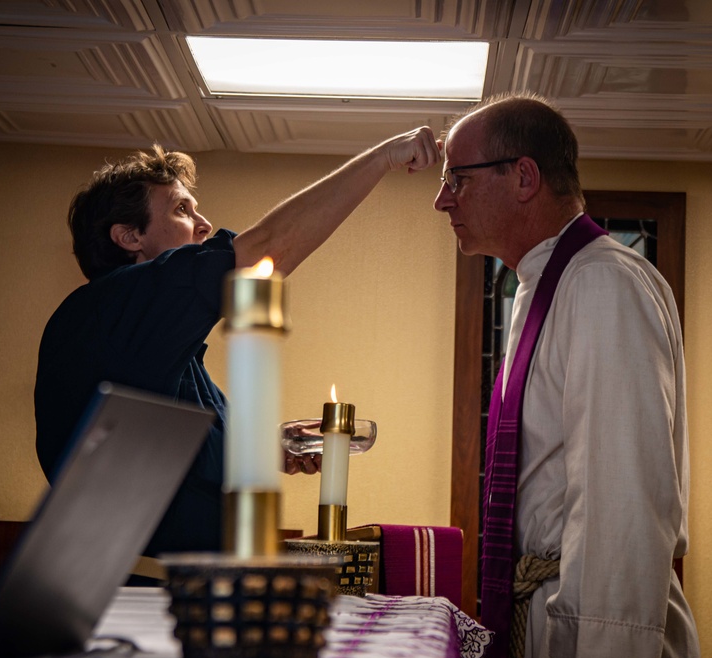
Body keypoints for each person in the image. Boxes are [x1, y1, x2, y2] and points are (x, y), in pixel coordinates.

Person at [35, 127, 440, 559]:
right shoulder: (113, 309)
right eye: (181, 209)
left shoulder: (162, 352)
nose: (204, 225)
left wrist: (274, 447)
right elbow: (265, 253)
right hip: (141, 597)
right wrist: (383, 158)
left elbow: (182, 462)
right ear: (129, 237)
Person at [434, 92, 699, 658]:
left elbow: (622, 506)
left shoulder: (602, 284)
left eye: (457, 178)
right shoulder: (539, 286)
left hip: (597, 626)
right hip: (547, 611)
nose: (441, 200)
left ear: (524, 176)